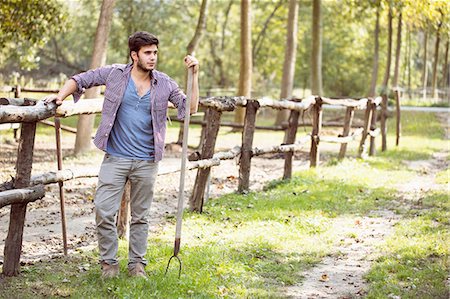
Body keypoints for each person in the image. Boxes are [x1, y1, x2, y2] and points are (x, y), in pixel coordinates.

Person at [44, 31, 199, 279]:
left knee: (141, 217)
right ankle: (109, 264)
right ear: (134, 55)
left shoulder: (165, 83)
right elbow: (82, 78)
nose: (153, 58)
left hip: (147, 161)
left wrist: (194, 75)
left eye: (155, 53)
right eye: (148, 53)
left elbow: (190, 108)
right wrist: (60, 96)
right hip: (115, 157)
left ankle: (137, 265)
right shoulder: (115, 74)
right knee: (104, 211)